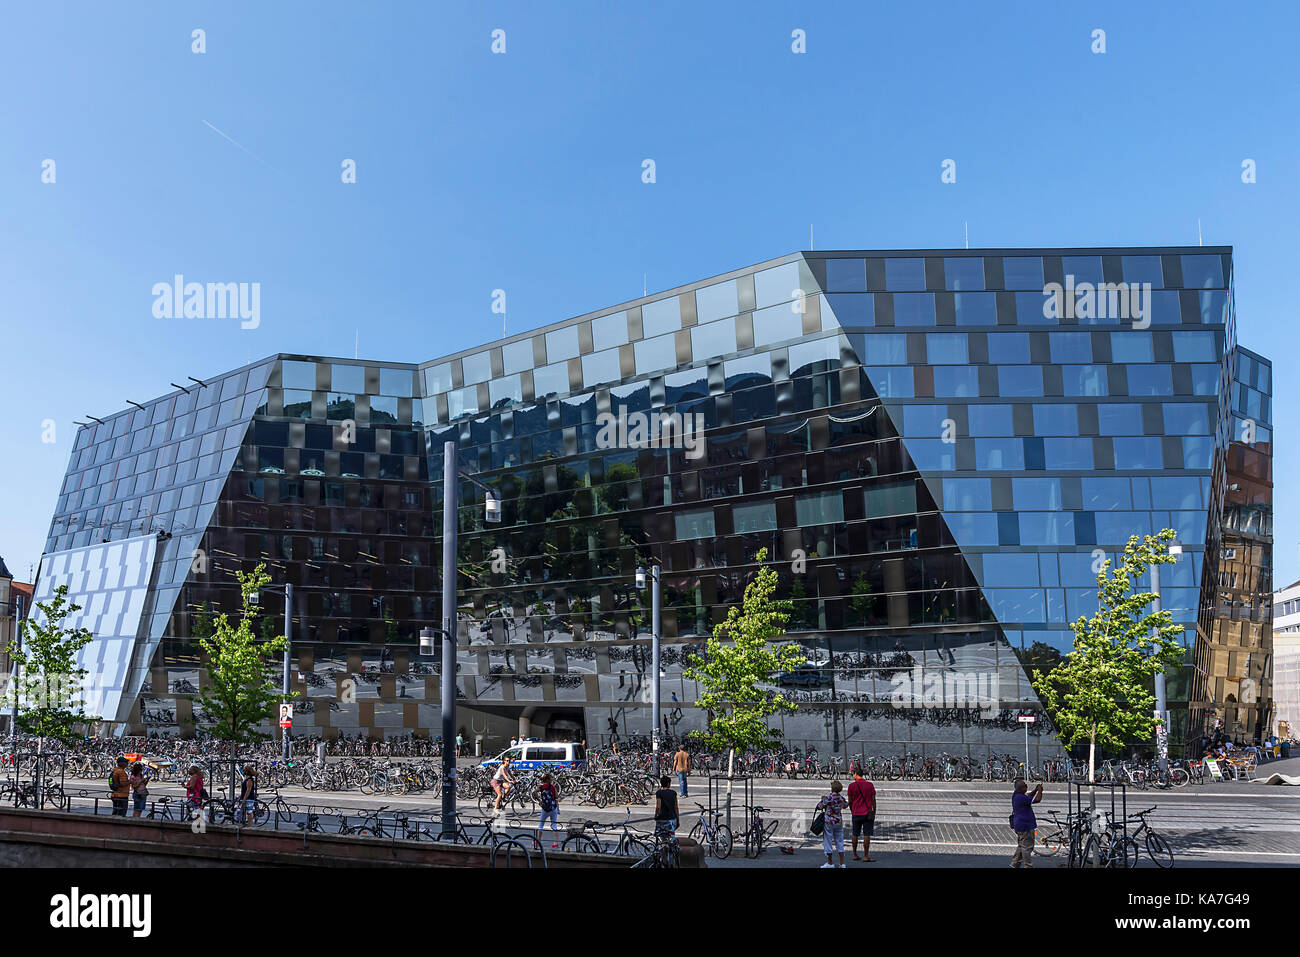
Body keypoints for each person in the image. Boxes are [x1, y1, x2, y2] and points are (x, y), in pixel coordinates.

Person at [816, 780, 848, 868]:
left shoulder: (828, 798)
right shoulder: (841, 798)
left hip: (829, 822)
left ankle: (830, 863)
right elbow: (846, 805)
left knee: (828, 841)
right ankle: (842, 863)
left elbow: (820, 806)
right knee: (840, 841)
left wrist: (822, 799)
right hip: (838, 821)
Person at [1010, 778, 1043, 868]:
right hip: (1025, 825)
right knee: (1027, 848)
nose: (1027, 787)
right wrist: (1040, 791)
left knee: (1021, 845)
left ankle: (1015, 863)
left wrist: (1035, 790)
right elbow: (1037, 800)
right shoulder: (1021, 797)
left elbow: (1028, 796)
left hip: (1019, 825)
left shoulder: (1016, 795)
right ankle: (1028, 866)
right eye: (1025, 786)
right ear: (1021, 788)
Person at [846, 769, 876, 862]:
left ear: (856, 774)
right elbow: (873, 800)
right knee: (867, 834)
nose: (852, 776)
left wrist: (852, 810)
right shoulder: (870, 785)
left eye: (853, 774)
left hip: (856, 812)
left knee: (855, 833)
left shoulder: (851, 786)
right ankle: (866, 856)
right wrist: (874, 811)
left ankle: (855, 854)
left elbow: (850, 801)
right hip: (867, 813)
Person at [535, 773, 560, 847]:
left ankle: (538, 842)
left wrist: (539, 801)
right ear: (549, 780)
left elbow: (534, 792)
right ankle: (555, 843)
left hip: (545, 808)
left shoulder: (541, 787)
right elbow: (556, 797)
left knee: (541, 825)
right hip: (553, 808)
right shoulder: (553, 787)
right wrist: (558, 808)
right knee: (554, 825)